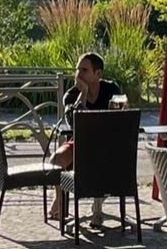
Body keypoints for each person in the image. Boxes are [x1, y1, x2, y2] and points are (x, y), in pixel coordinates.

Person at [47, 52, 122, 224]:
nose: (78, 74)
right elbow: (75, 124)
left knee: (110, 162)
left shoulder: (112, 90)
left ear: (98, 74)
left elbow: (121, 118)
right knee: (55, 159)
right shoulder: (71, 95)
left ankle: (97, 205)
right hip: (81, 143)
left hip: (109, 146)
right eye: (77, 69)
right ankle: (60, 199)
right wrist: (84, 93)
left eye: (84, 70)